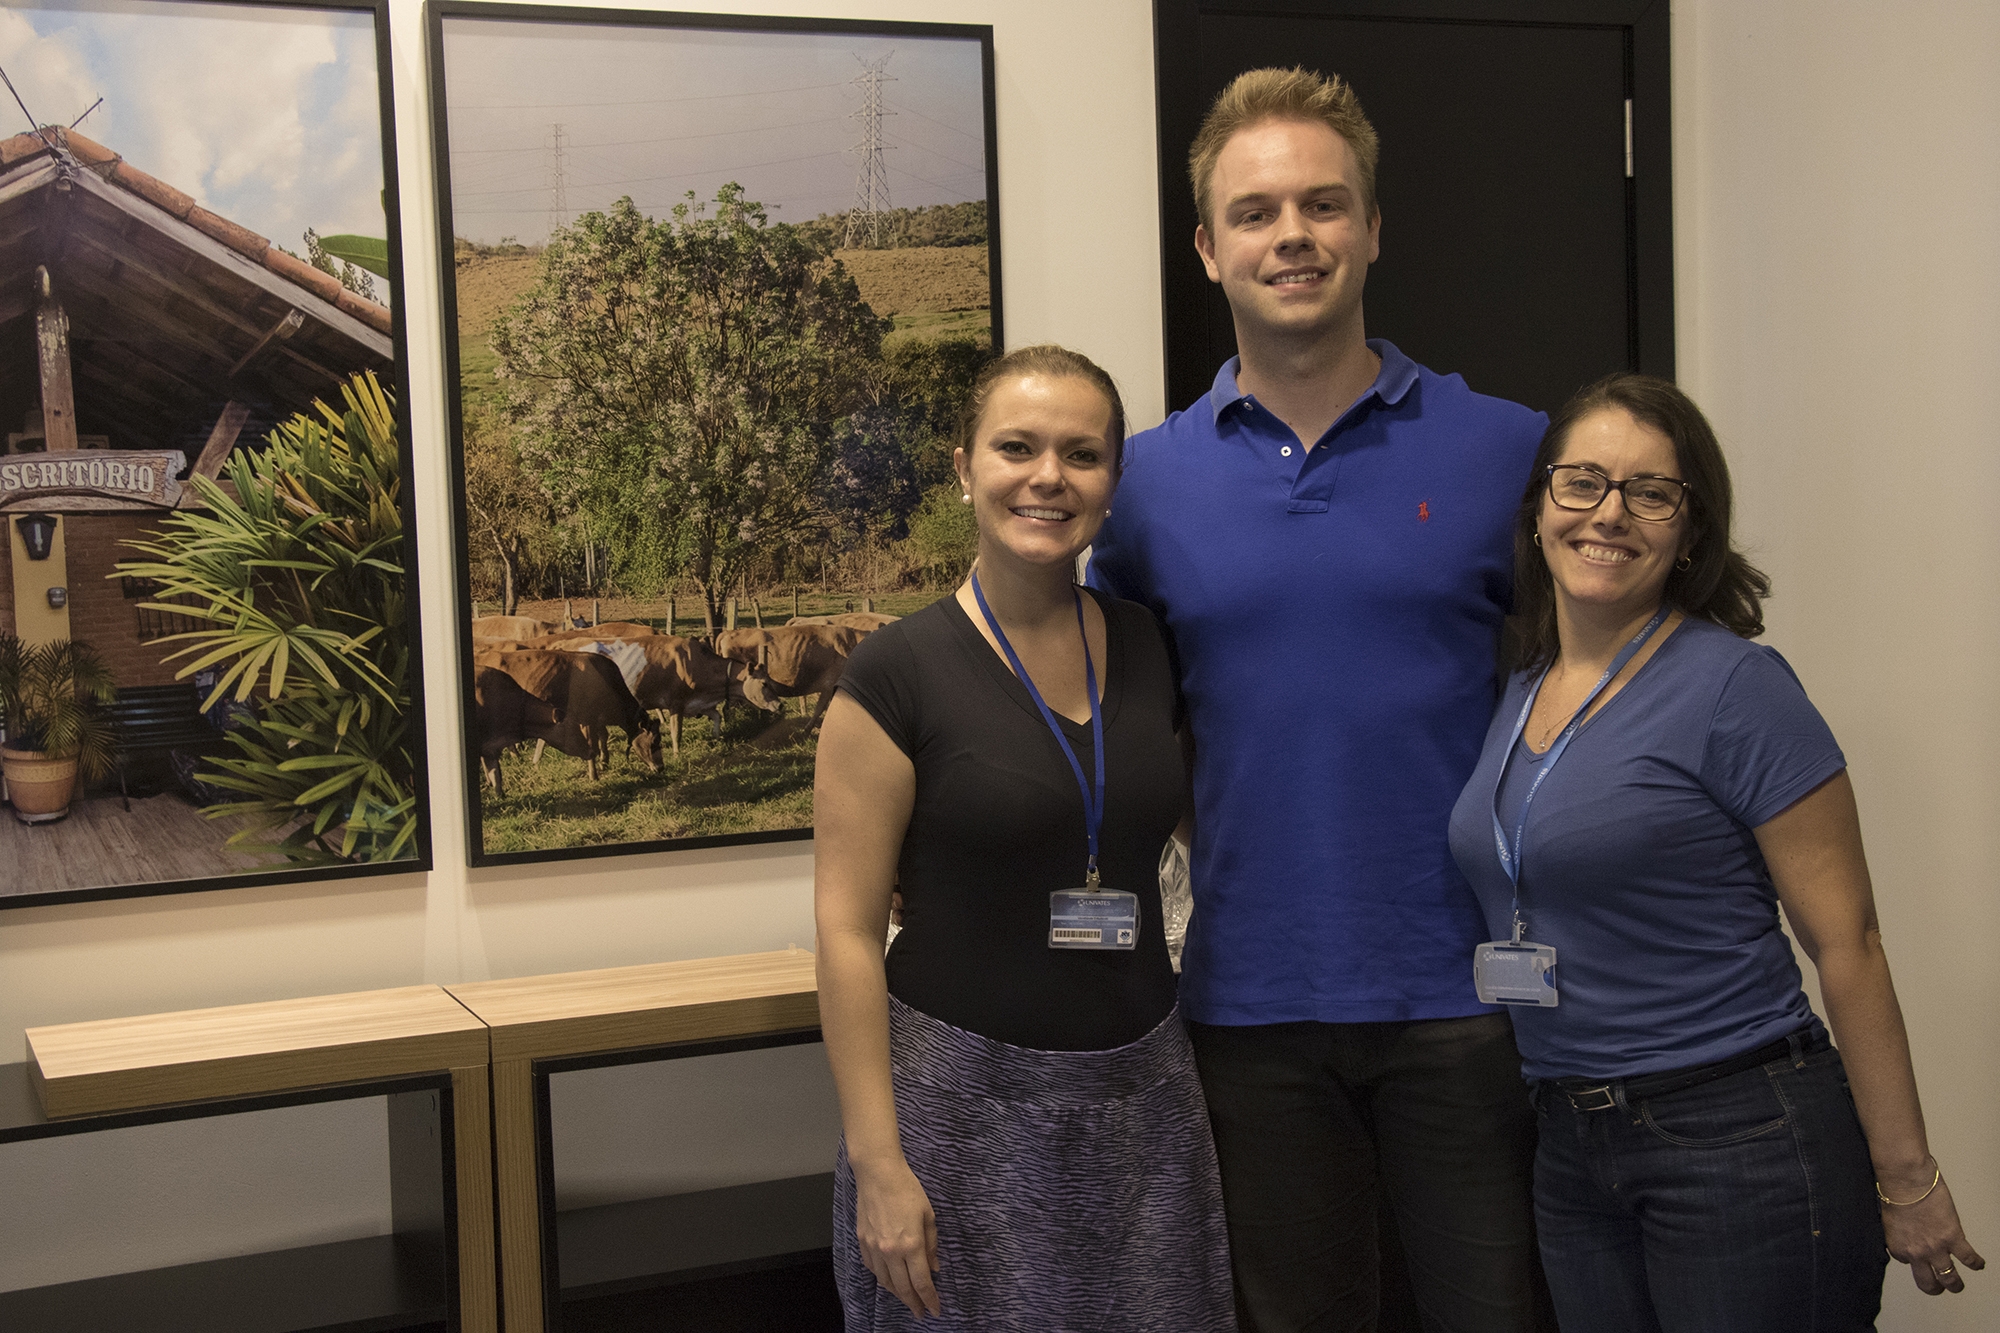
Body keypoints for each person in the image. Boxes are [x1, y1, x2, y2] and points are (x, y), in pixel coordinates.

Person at [1088, 68, 1550, 1330]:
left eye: (1321, 203)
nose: (1290, 234)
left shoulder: (1511, 451)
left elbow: (1595, 689)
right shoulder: (1140, 487)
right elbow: (1100, 721)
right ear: (1206, 248)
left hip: (1469, 998)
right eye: (1254, 212)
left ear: (1372, 230)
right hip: (1247, 1004)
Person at [1445, 373, 1984, 1331]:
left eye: (1651, 492)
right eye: (1583, 482)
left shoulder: (1738, 686)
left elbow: (1848, 941)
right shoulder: (1522, 683)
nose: (1610, 513)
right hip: (1570, 1141)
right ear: (1538, 510)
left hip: (1739, 1136)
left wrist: (1907, 1176)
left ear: (1690, 530)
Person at [814, 344, 1236, 1331]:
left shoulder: (1146, 643)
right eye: (1016, 446)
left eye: (1081, 454)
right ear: (964, 466)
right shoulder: (894, 673)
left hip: (1145, 1108)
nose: (1048, 476)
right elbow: (843, 933)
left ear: (1112, 483)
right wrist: (879, 1164)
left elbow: (1207, 824)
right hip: (955, 1120)